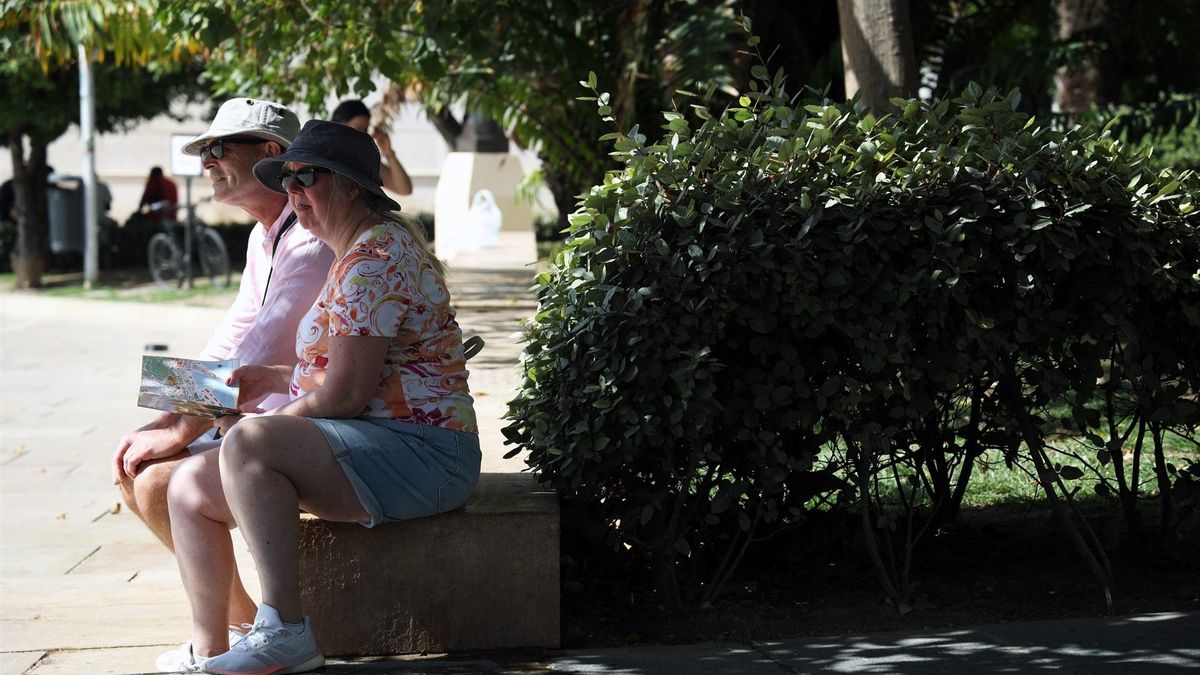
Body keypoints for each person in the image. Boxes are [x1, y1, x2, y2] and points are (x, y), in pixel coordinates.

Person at [156, 120, 480, 674]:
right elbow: (337, 367)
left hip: (425, 454)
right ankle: (210, 649)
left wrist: (212, 424)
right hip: (376, 440)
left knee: (247, 445)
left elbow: (346, 395)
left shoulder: (368, 260)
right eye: (286, 180)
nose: (292, 191)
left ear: (352, 185)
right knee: (186, 487)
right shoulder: (327, 245)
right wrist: (273, 378)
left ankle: (284, 630)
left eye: (306, 177)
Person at [109, 98, 335, 667]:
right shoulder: (266, 237)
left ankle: (243, 629)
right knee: (138, 469)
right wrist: (164, 414)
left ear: (273, 156)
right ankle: (240, 621)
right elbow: (227, 339)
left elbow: (255, 359)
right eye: (203, 151)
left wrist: (181, 426)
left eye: (217, 149)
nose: (206, 162)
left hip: (297, 424)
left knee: (161, 480)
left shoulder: (309, 241)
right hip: (259, 414)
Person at [330, 99, 413, 196]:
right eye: (358, 128)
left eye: (365, 130)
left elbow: (404, 189)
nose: (362, 135)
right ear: (338, 126)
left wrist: (389, 153)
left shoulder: (364, 160)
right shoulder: (321, 156)